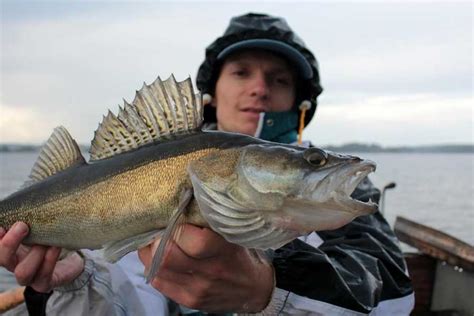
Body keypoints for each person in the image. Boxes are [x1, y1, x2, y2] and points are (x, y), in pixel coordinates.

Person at [0, 12, 414, 315]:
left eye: (279, 79)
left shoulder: (337, 200)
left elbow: (394, 296)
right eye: (241, 72)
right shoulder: (171, 178)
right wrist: (76, 281)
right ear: (211, 93)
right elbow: (131, 303)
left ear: (301, 103)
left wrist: (269, 288)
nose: (259, 89)